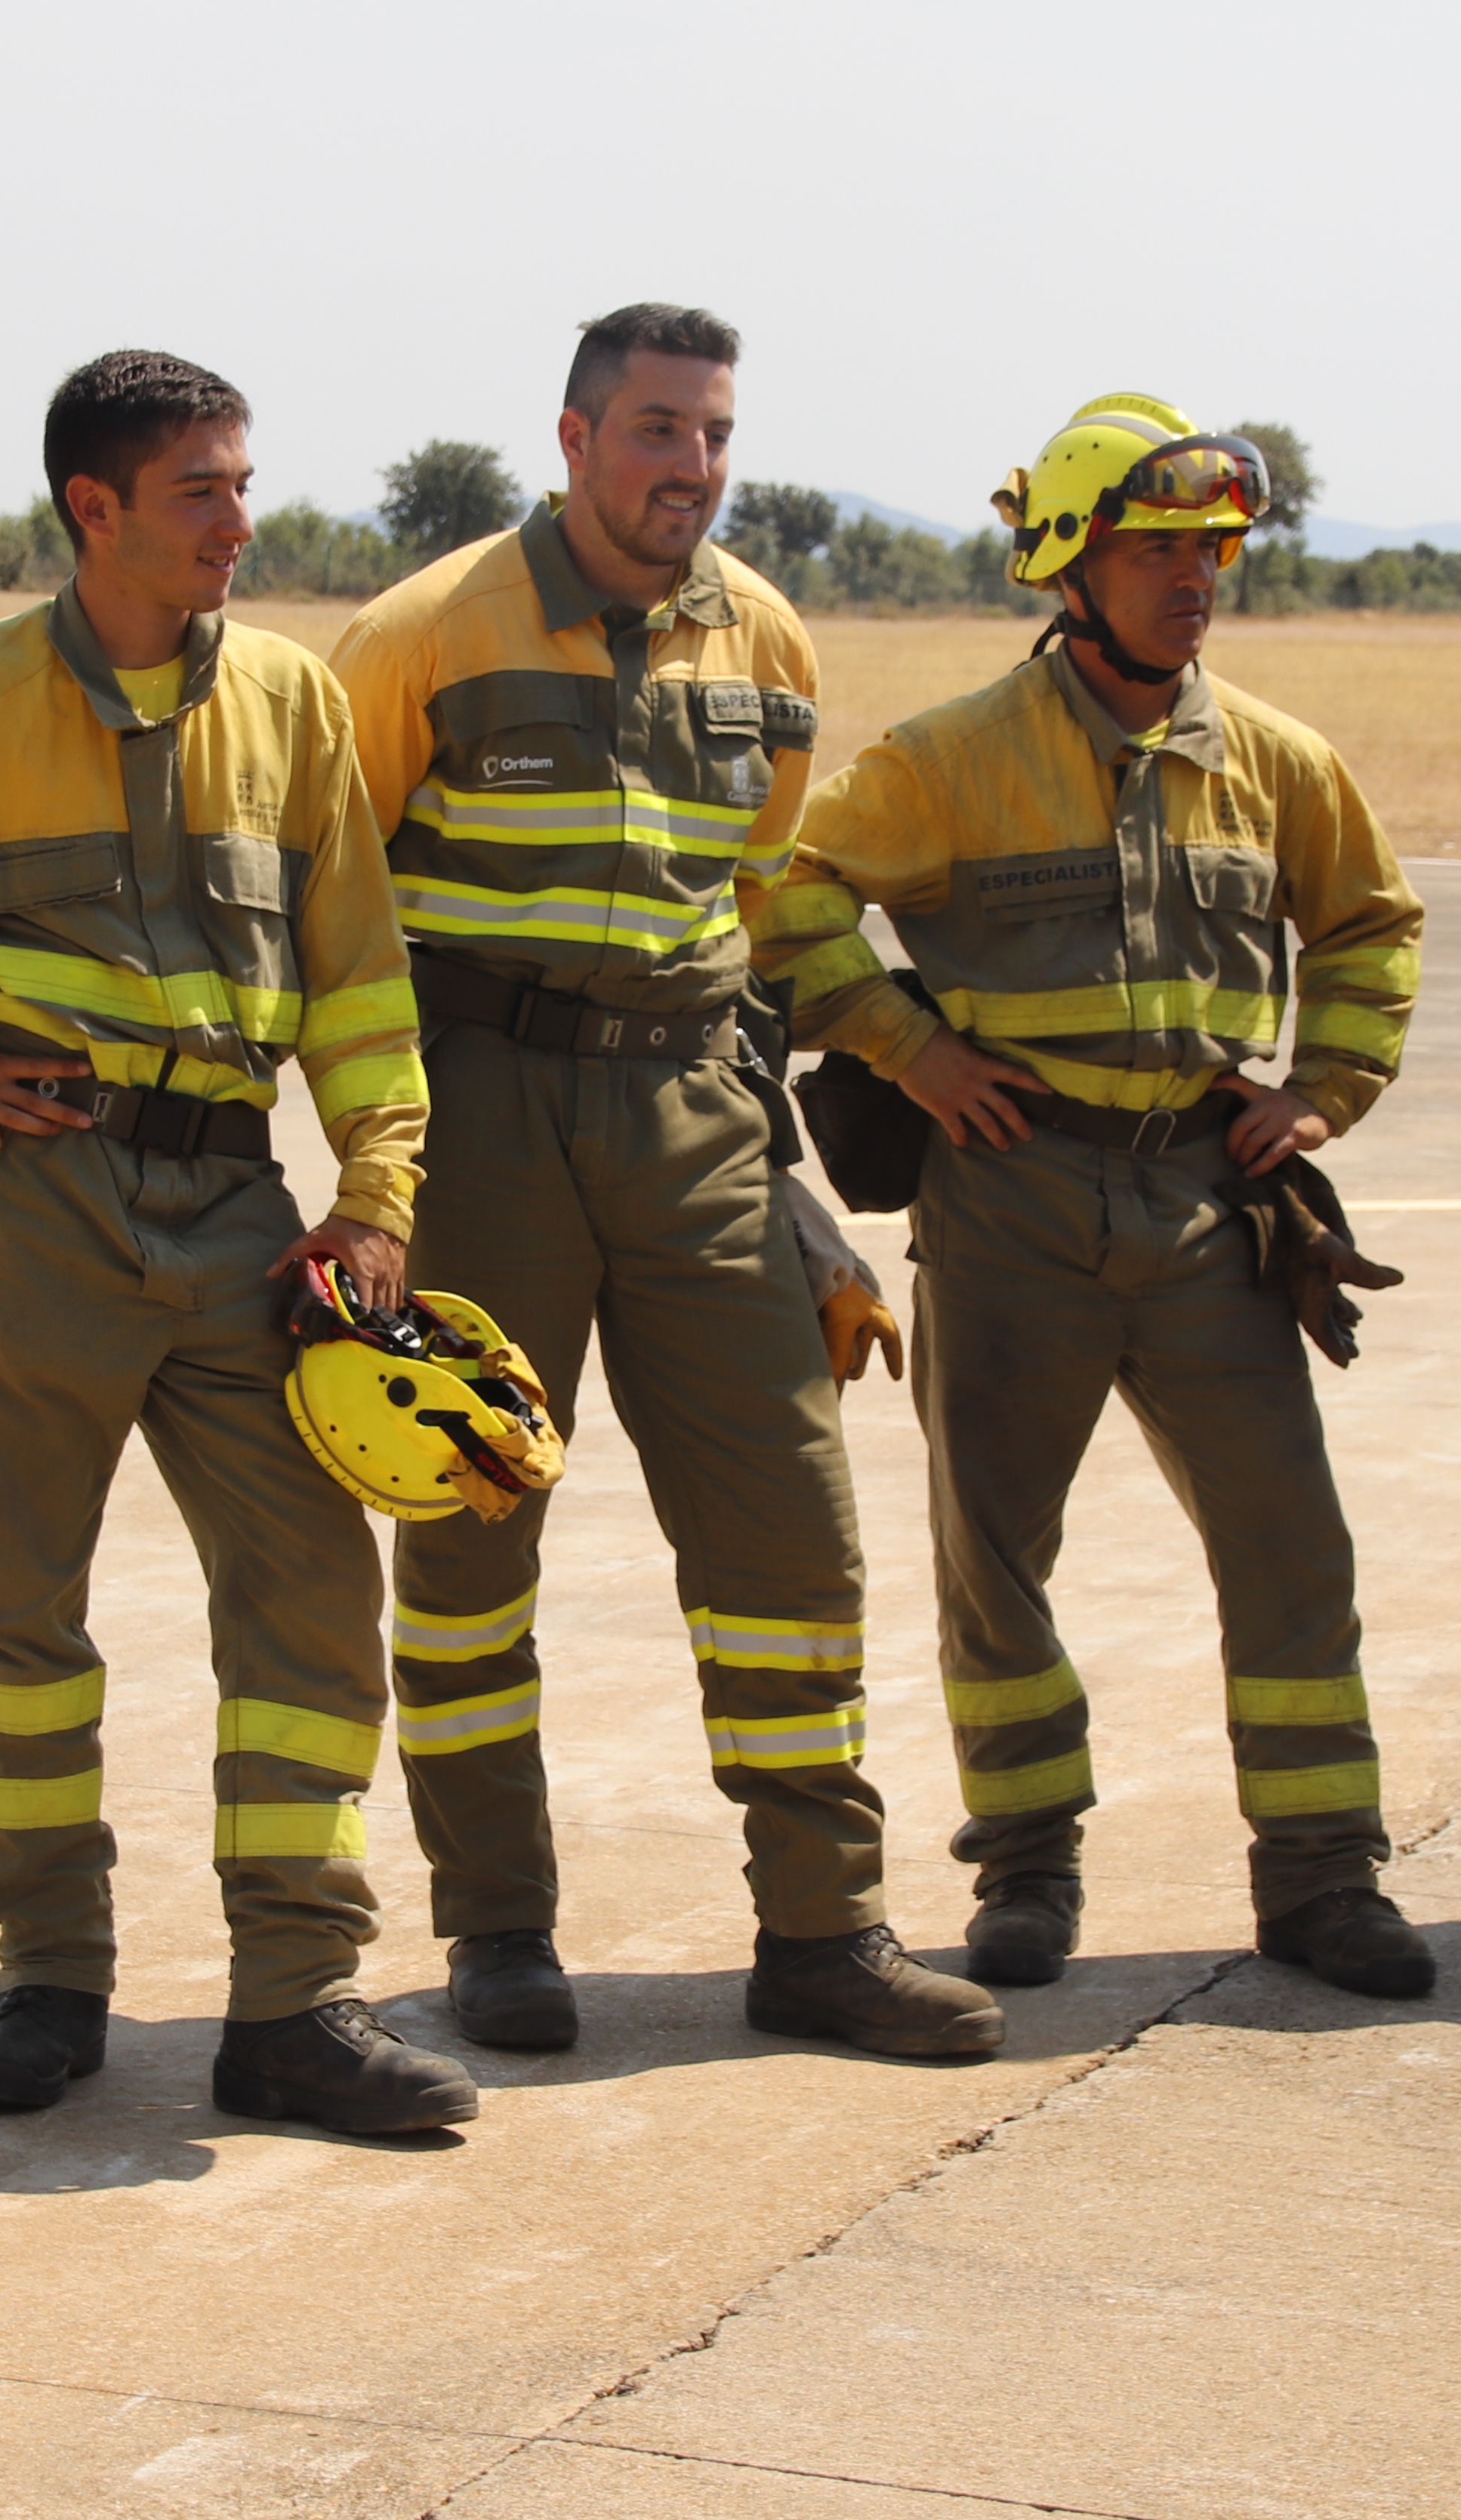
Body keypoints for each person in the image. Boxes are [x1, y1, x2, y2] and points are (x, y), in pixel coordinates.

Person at [0, 350, 475, 2134]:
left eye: (241, 481)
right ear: (96, 509)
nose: (238, 518)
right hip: (33, 1209)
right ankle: (48, 1976)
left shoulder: (291, 707)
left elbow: (361, 990)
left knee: (306, 1595)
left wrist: (374, 1200)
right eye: (201, 487)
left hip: (239, 1217)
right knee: (21, 1613)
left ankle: (297, 1999)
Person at [328, 303, 998, 2062]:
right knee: (472, 1517)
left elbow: (763, 892)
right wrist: (359, 1176)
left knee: (789, 1517)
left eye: (711, 432)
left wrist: (814, 1097)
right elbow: (323, 902)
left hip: (698, 1103)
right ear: (572, 438)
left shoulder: (763, 639)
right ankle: (497, 1930)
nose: (688, 465)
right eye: (654, 430)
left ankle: (823, 1928)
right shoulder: (425, 635)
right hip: (484, 1106)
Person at [747, 393, 1434, 1999]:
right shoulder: (953, 760)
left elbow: (1372, 926)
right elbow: (791, 895)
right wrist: (910, 1051)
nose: (1195, 575)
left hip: (1208, 1208)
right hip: (1013, 1200)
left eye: (1212, 547)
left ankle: (1326, 1877)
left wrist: (1320, 1090)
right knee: (996, 1552)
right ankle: (1029, 1869)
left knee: (1292, 1547)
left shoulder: (1275, 763)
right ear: (1070, 563)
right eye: (1157, 547)